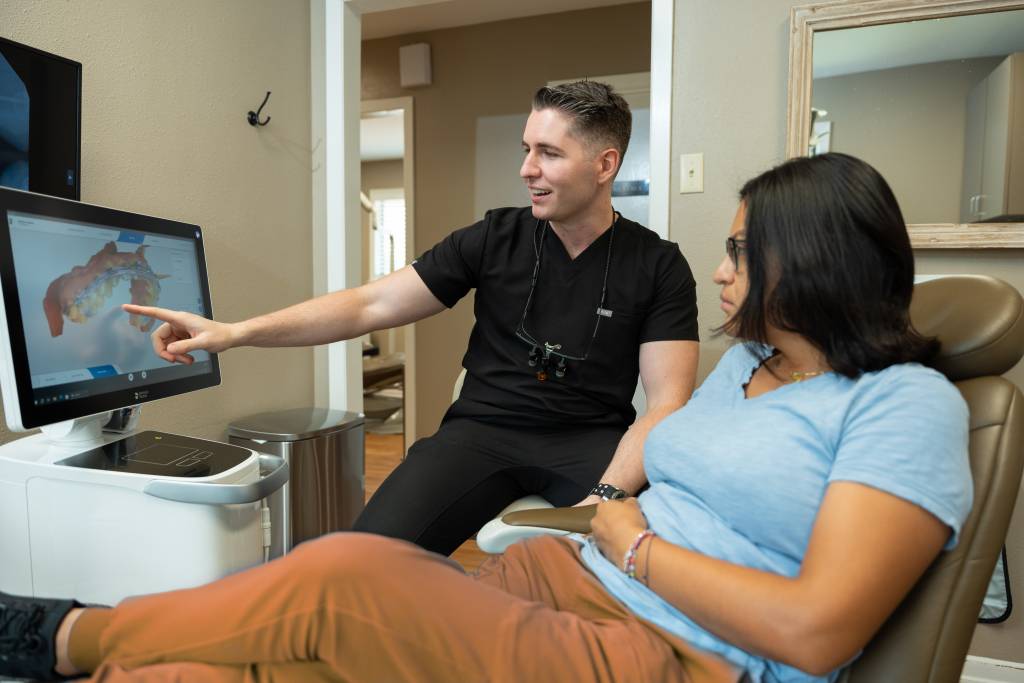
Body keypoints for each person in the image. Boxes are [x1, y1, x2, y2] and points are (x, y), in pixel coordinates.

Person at [0, 153, 972, 683]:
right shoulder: (747, 362)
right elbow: (376, 304)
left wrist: (621, 528)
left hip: (667, 646)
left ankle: (62, 635)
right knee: (215, 660)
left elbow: (811, 631)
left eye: (740, 250)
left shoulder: (902, 402)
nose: (722, 268)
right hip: (560, 556)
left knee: (344, 576)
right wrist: (237, 330)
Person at [122, 80, 701, 556]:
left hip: (593, 441)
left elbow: (667, 402)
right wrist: (235, 333)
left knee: (647, 559)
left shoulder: (657, 265)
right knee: (362, 561)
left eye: (548, 153)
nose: (527, 168)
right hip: (481, 433)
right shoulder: (493, 237)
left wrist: (605, 495)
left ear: (605, 164)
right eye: (526, 149)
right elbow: (368, 304)